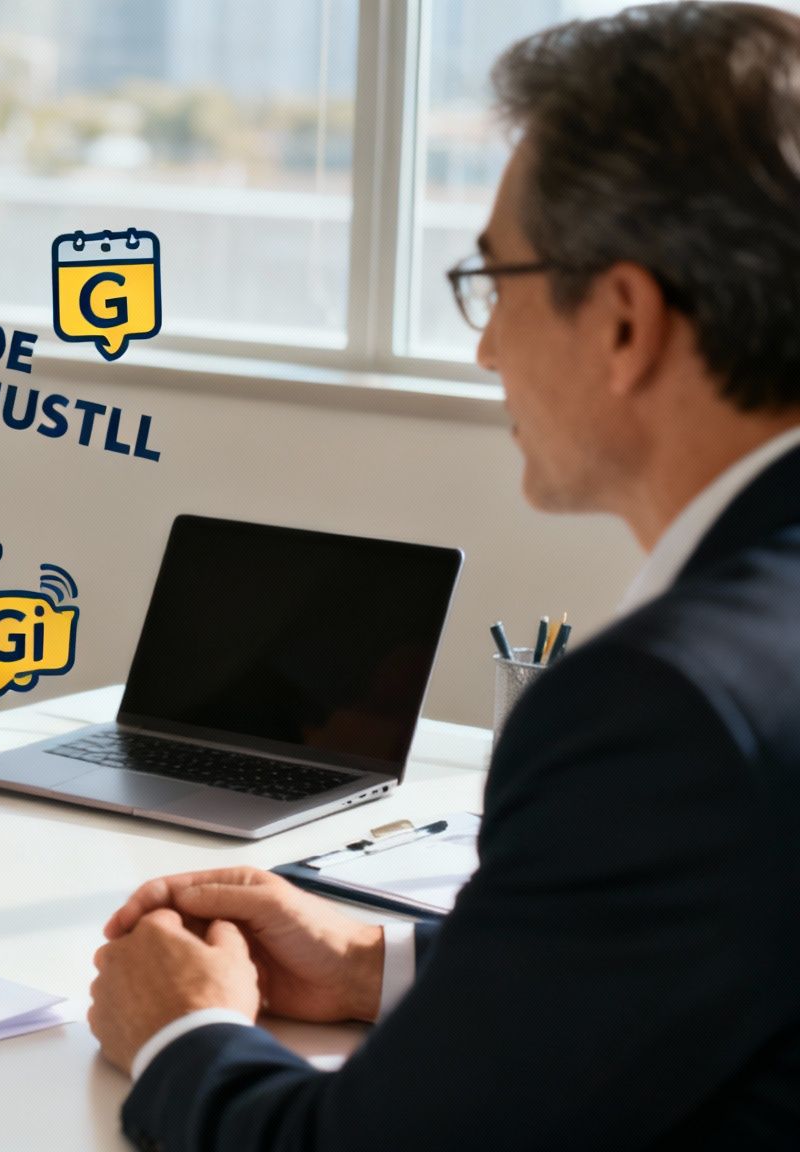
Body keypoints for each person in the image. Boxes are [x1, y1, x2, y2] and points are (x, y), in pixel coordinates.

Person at [89, 5, 800, 1149]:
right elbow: (711, 958)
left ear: (623, 321)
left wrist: (178, 1033)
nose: (481, 346)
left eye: (494, 280)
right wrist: (382, 964)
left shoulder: (663, 710)